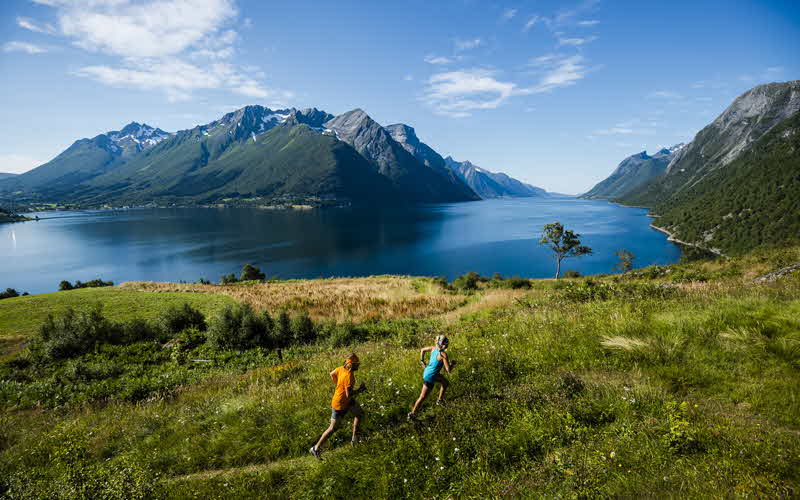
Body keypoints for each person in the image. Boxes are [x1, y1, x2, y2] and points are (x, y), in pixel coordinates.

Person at [310, 353, 366, 460]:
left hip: (345, 401)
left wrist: (338, 385)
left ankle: (355, 439)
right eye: (356, 364)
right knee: (333, 428)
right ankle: (316, 448)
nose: (358, 366)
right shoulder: (349, 376)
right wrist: (360, 390)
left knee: (359, 414)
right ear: (350, 364)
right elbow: (349, 394)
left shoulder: (341, 368)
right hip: (340, 404)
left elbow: (332, 374)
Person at [408, 335, 454, 419]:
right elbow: (448, 370)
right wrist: (453, 364)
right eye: (446, 342)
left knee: (445, 382)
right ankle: (412, 413)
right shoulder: (443, 354)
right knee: (422, 397)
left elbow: (422, 350)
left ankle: (439, 400)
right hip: (431, 376)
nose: (447, 343)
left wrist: (422, 361)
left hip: (428, 371)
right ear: (443, 344)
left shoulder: (433, 348)